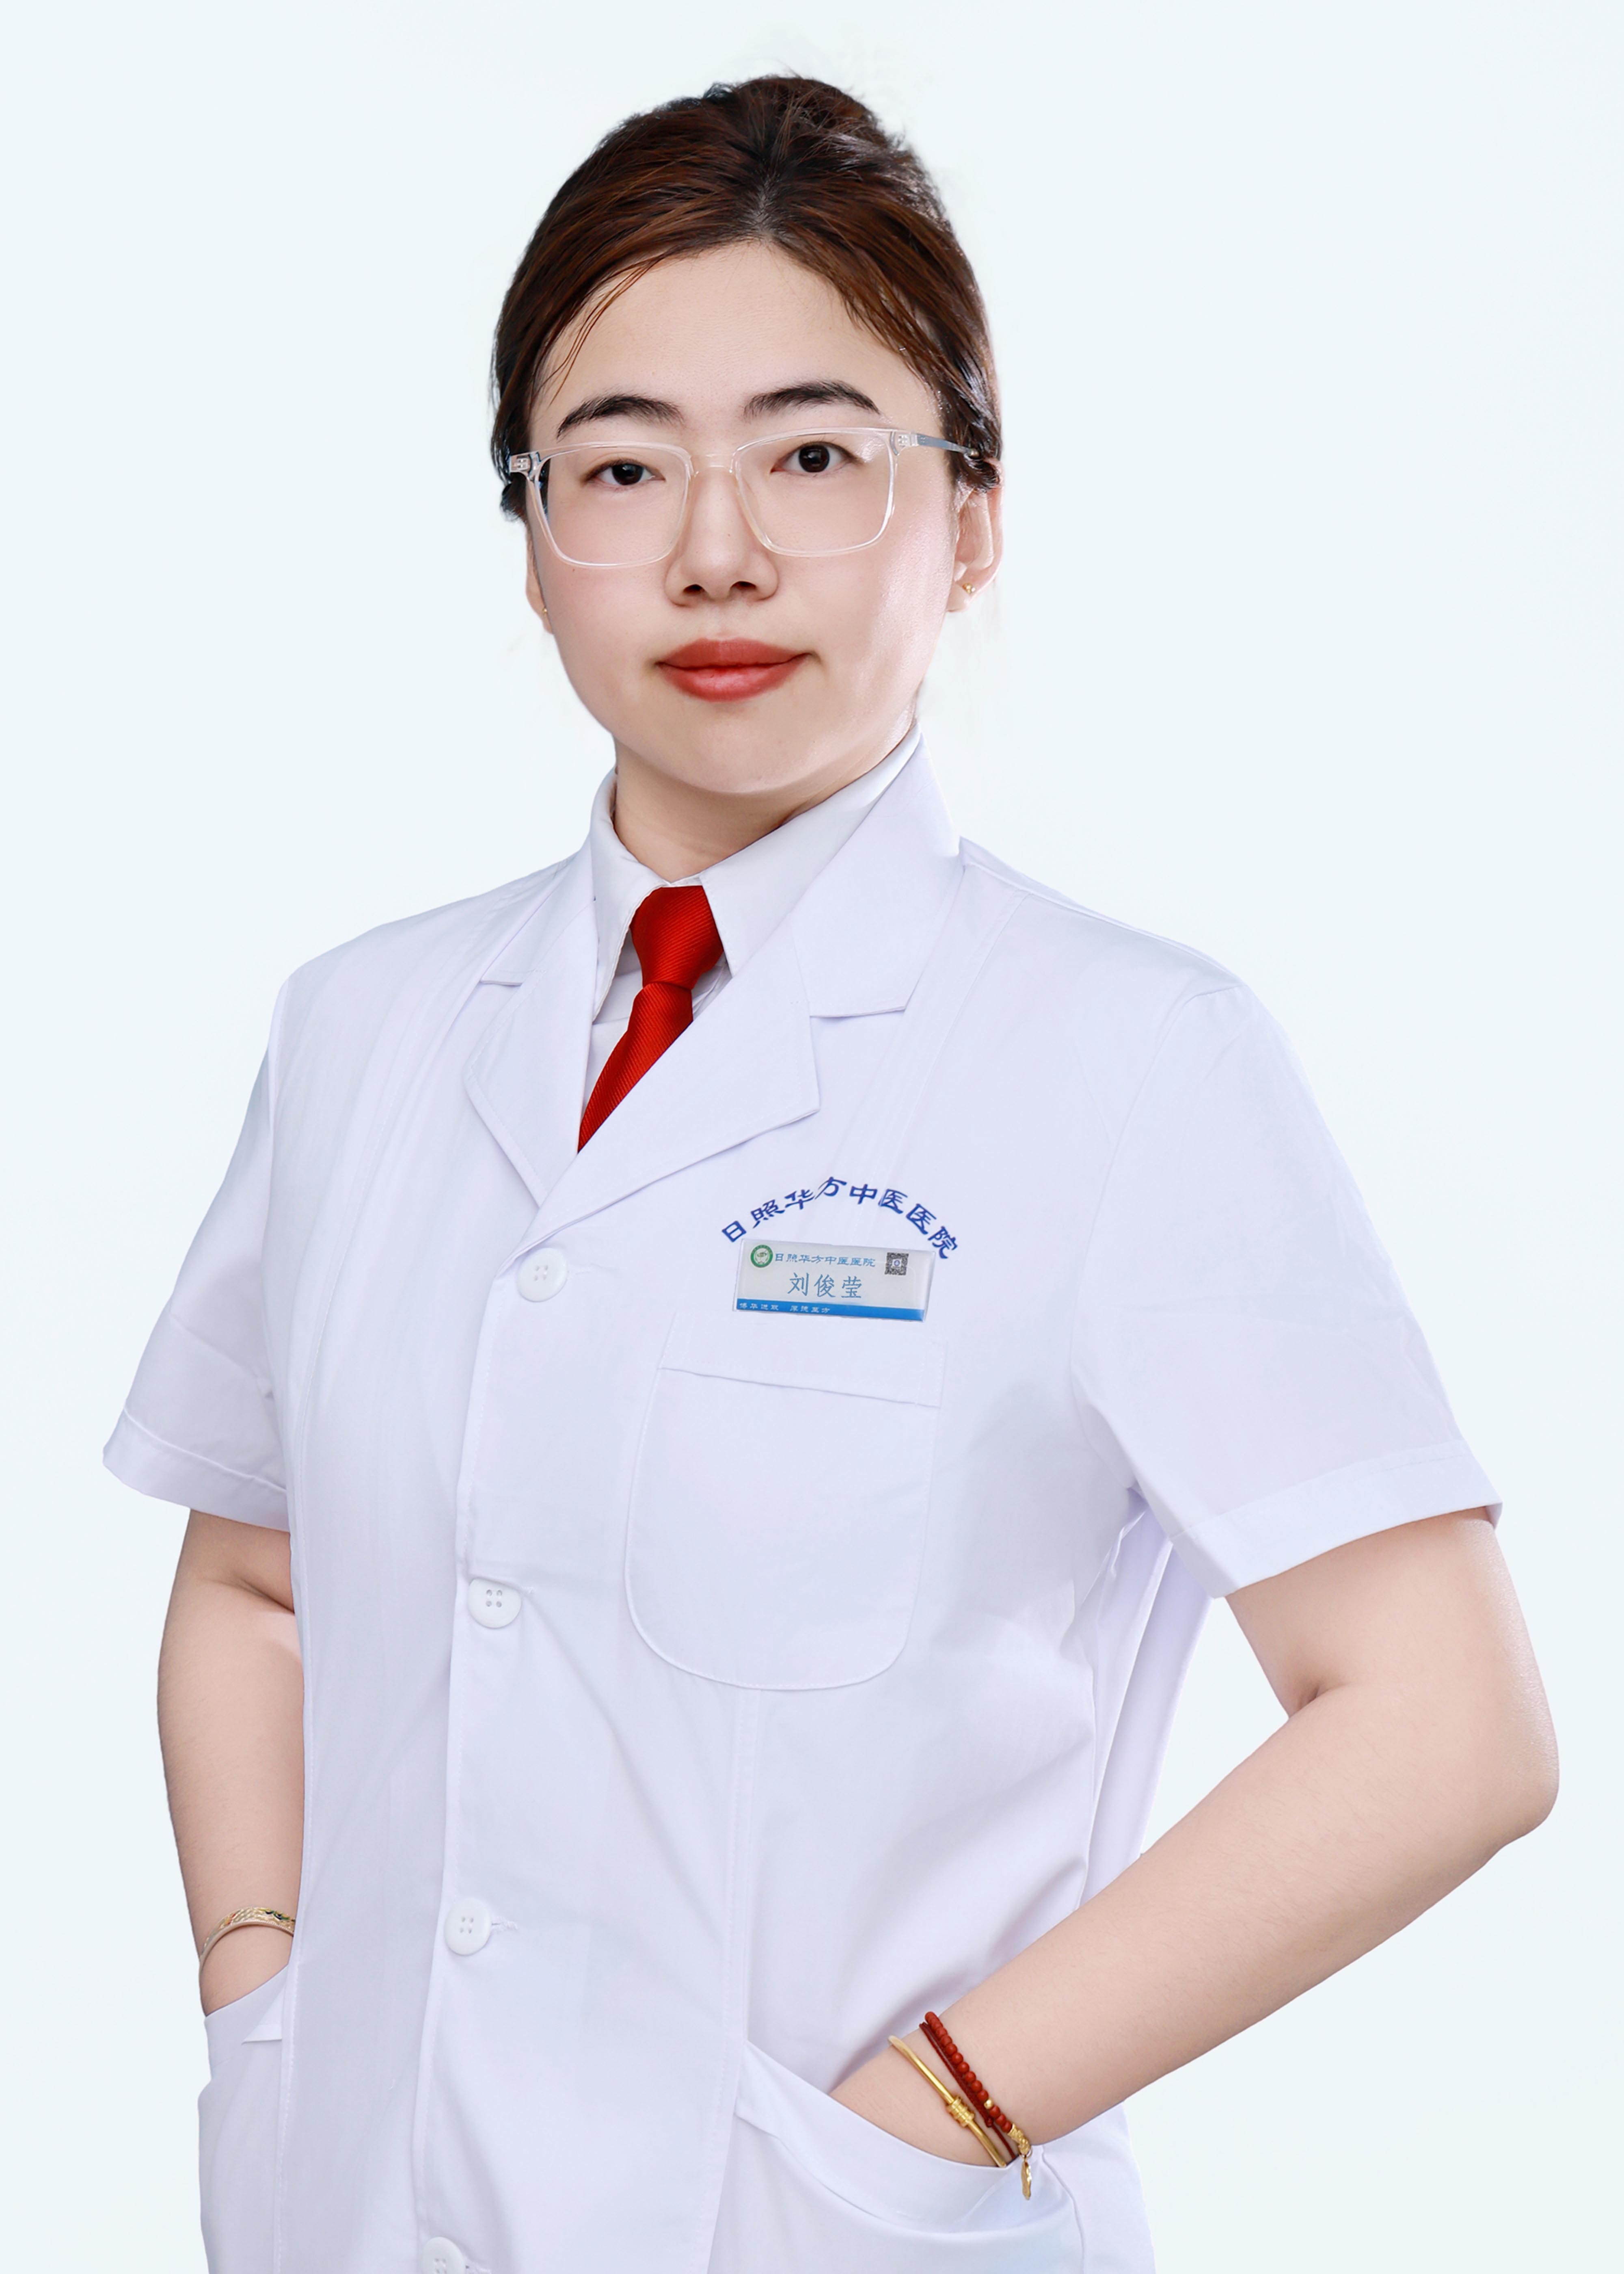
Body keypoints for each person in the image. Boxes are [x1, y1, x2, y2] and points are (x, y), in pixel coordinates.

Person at [109, 74, 1556, 2274]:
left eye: (813, 454)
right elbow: (254, 1580)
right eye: (620, 465)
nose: (717, 550)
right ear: (533, 534)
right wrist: (265, 1992)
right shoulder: (363, 1030)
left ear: (968, 519)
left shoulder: (1129, 1061)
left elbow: (1448, 1725)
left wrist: (931, 2116)